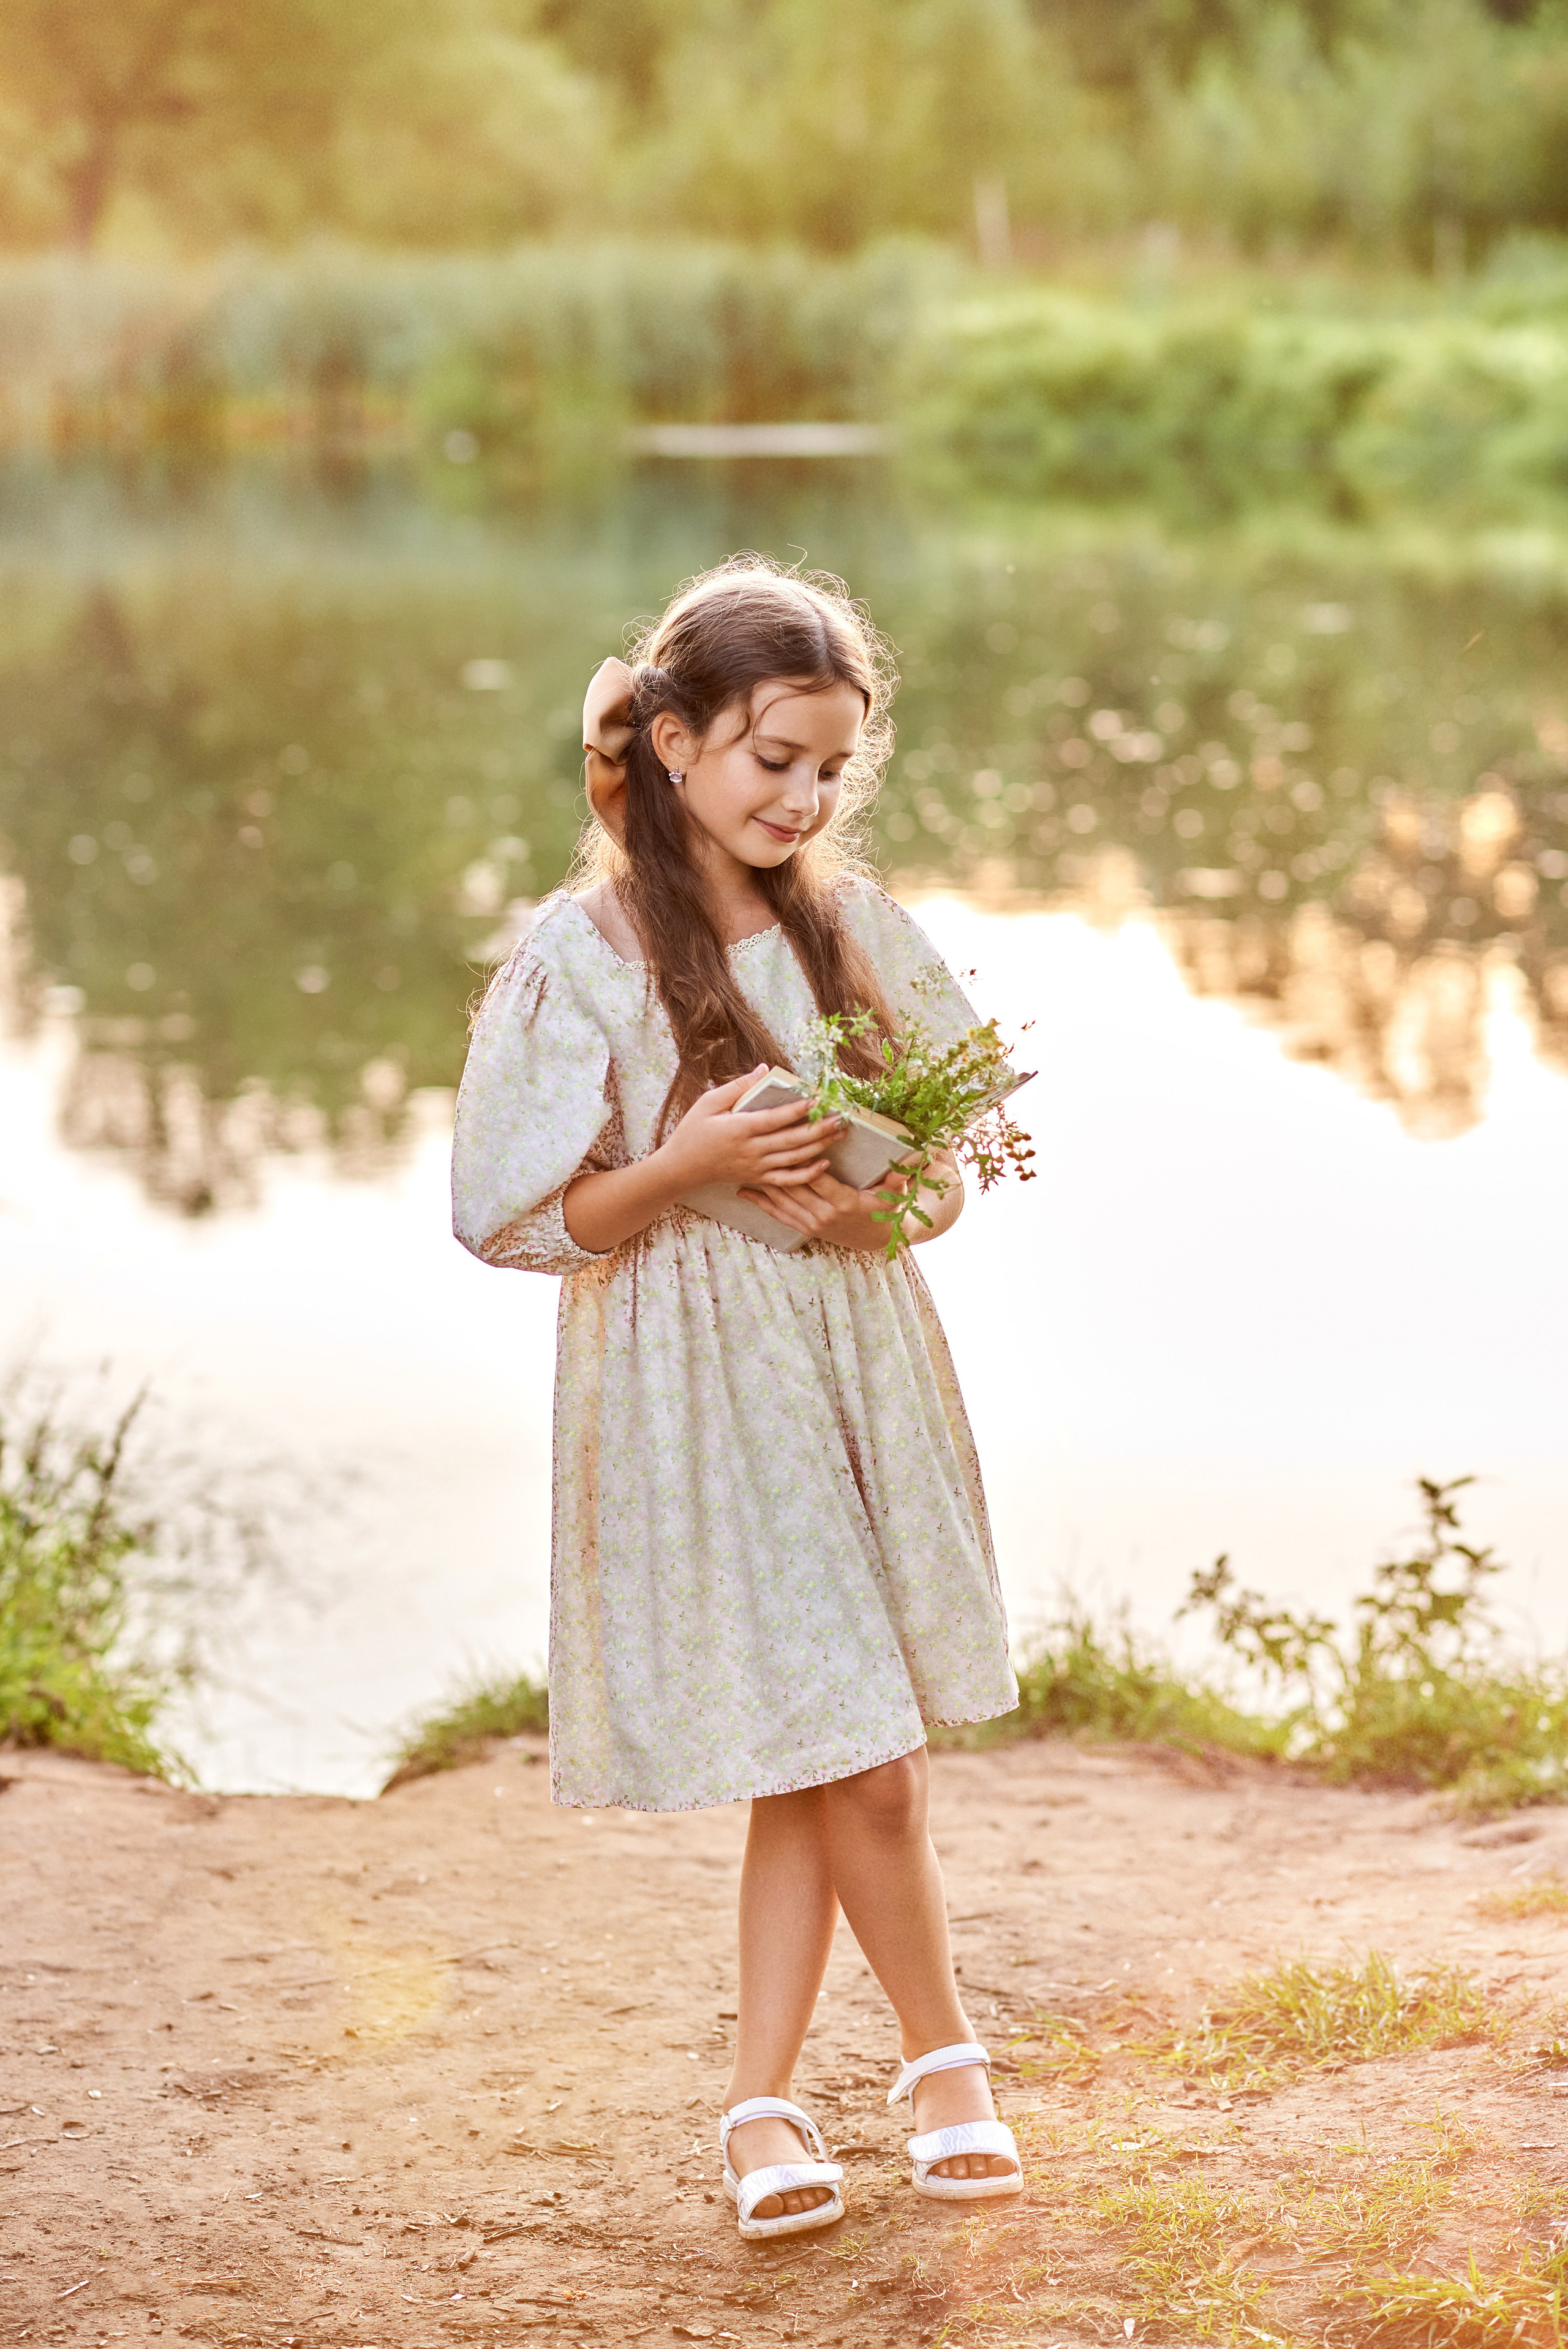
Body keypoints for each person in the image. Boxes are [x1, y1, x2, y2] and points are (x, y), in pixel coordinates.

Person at [451, 556, 1023, 2239]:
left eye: (831, 764)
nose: (804, 794)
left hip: (852, 1354)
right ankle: (945, 2062)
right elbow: (505, 1213)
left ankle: (766, 2103)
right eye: (773, 755)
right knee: (864, 1753)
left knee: (835, 1746)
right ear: (677, 740)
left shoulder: (857, 931)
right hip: (699, 1387)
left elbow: (953, 1168)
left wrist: (886, 1201)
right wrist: (685, 1160)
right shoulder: (587, 949)